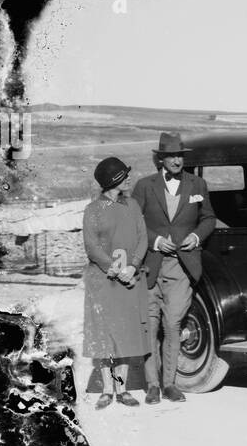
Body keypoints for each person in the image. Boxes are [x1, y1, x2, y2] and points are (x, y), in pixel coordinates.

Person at [131, 132, 218, 403]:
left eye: (180, 155)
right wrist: (155, 240)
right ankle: (152, 385)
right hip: (149, 266)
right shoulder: (145, 186)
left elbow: (209, 218)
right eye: (171, 156)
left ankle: (170, 383)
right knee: (149, 324)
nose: (177, 160)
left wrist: (196, 236)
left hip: (182, 266)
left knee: (172, 323)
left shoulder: (197, 184)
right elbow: (133, 221)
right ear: (161, 159)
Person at [82, 157, 151, 409]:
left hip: (128, 279)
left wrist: (132, 265)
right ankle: (107, 391)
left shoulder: (132, 205)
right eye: (124, 176)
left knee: (125, 335)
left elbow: (143, 238)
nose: (130, 179)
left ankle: (122, 390)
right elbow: (92, 247)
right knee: (105, 336)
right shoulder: (93, 210)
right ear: (114, 181)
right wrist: (113, 268)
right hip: (103, 282)